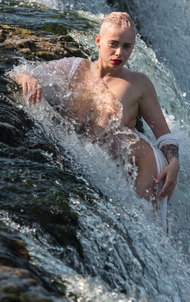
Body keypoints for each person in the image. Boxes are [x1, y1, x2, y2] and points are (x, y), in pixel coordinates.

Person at [11, 12, 180, 231]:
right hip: (96, 166)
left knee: (148, 230)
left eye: (127, 46)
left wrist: (174, 163)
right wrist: (28, 79)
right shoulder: (73, 69)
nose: (120, 52)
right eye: (113, 44)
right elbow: (19, 71)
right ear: (98, 41)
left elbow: (165, 135)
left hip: (144, 163)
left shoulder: (139, 83)